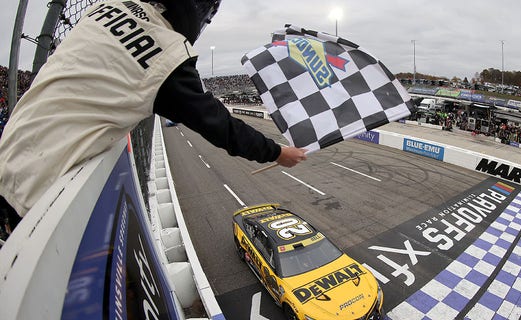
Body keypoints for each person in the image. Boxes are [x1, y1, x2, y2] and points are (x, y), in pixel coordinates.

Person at [0, 0, 307, 231]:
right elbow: (218, 124)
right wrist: (278, 152)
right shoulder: (167, 54)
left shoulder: (108, 5)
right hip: (40, 195)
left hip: (8, 152)